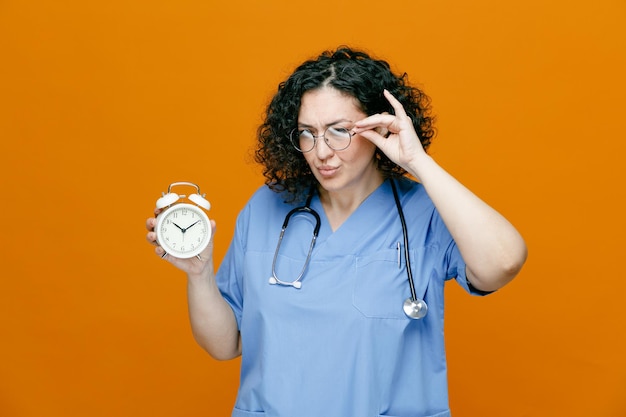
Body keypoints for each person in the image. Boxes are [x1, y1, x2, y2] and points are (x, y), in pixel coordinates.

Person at [146, 46, 527, 417]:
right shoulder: (266, 207)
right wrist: (199, 274)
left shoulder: (425, 212)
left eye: (339, 131)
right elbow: (225, 344)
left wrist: (417, 162)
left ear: (378, 127)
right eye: (307, 133)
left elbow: (504, 261)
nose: (321, 151)